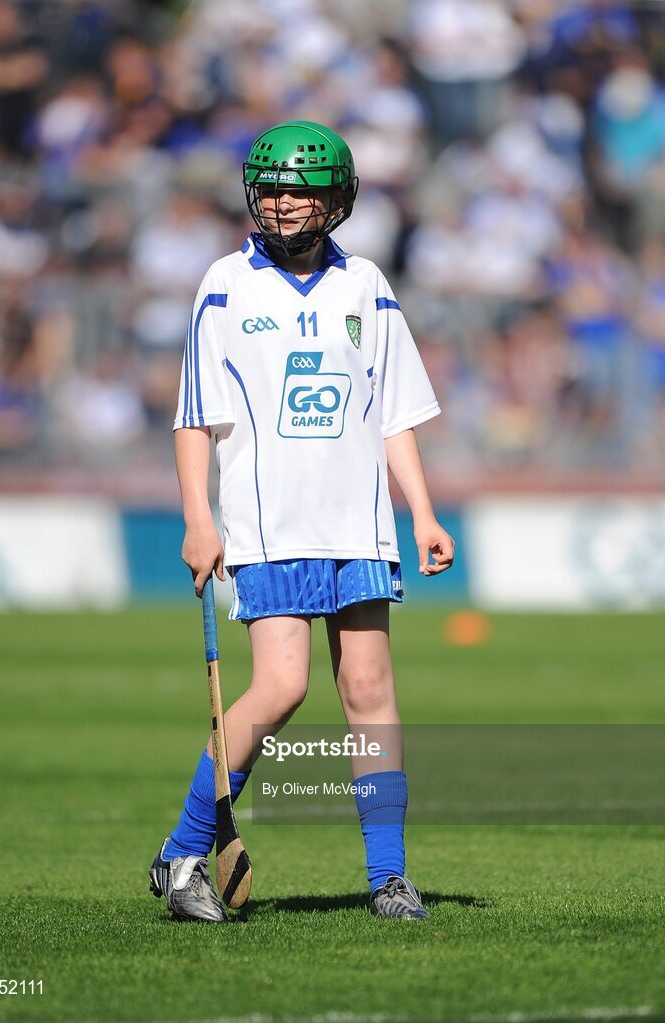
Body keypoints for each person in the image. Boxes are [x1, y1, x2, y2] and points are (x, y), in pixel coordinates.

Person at [149, 120, 454, 922]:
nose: (281, 203)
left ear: (335, 199)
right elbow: (194, 417)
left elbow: (392, 414)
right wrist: (197, 519)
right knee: (281, 687)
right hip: (267, 522)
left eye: (299, 189)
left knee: (368, 686)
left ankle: (387, 876)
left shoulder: (367, 284)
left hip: (358, 522)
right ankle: (181, 853)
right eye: (271, 188)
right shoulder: (223, 282)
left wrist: (420, 511)